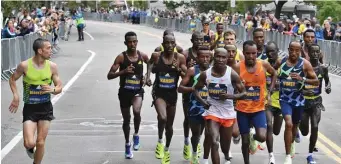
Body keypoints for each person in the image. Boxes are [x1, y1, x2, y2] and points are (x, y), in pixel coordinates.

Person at [9, 38, 62, 164]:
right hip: (30, 108)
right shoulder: (24, 65)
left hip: (45, 108)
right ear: (40, 50)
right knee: (29, 143)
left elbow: (59, 87)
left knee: (40, 142)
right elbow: (12, 79)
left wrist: (52, 89)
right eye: (48, 48)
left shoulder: (52, 67)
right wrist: (16, 96)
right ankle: (30, 149)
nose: (51, 50)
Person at [194, 48, 247, 164]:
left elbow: (244, 93)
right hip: (212, 111)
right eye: (218, 56)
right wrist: (203, 102)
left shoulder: (232, 74)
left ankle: (227, 153)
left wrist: (229, 96)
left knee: (224, 147)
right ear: (214, 57)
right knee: (214, 142)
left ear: (227, 59)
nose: (220, 60)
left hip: (228, 113)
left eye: (223, 57)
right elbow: (195, 89)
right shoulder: (206, 74)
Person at [273, 41, 319, 164]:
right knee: (288, 124)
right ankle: (287, 156)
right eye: (291, 50)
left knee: (294, 126)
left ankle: (291, 143)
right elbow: (272, 73)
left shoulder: (305, 64)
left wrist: (302, 79)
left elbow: (316, 81)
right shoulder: (281, 62)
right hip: (284, 99)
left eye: (297, 50)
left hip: (298, 100)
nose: (294, 53)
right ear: (288, 50)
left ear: (300, 51)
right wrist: (274, 83)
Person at [106, 31, 149, 159]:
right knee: (126, 119)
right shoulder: (121, 57)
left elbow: (152, 64)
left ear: (137, 42)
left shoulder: (142, 56)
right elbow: (109, 75)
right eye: (129, 42)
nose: (132, 44)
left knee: (136, 111)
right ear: (125, 43)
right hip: (124, 92)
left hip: (137, 91)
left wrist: (147, 76)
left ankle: (136, 134)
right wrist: (123, 71)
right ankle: (127, 144)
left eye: (134, 41)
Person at [145, 34, 187, 164]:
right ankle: (160, 142)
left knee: (169, 125)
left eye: (172, 43)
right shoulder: (157, 55)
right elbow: (150, 64)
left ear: (175, 45)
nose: (169, 45)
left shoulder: (179, 58)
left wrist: (178, 69)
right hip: (159, 92)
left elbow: (186, 74)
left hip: (172, 94)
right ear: (162, 44)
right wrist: (147, 77)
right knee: (162, 117)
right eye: (166, 43)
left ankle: (167, 149)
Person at [235, 40, 277, 164]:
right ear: (244, 53)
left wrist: (269, 92)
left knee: (262, 137)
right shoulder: (237, 67)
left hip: (258, 109)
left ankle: (254, 137)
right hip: (242, 109)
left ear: (257, 52)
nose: (251, 56)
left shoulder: (263, 65)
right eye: (248, 53)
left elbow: (274, 74)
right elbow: (230, 82)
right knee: (244, 141)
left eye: (254, 53)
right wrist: (237, 85)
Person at [178, 46, 211, 164]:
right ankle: (195, 152)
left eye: (208, 57)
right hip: (194, 106)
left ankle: (205, 159)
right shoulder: (192, 70)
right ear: (198, 57)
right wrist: (192, 89)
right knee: (196, 135)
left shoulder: (214, 70)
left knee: (208, 133)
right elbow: (180, 88)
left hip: (209, 107)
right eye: (203, 57)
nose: (205, 59)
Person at [299, 44, 331, 164]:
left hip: (317, 102)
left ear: (320, 53)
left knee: (315, 127)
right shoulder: (303, 67)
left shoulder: (323, 68)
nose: (315, 54)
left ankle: (310, 155)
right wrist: (304, 90)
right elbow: (297, 84)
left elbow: (327, 82)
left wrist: (328, 87)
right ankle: (299, 128)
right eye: (313, 52)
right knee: (305, 131)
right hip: (304, 101)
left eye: (317, 52)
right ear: (308, 52)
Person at [181, 31, 205, 160]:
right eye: (197, 39)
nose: (199, 42)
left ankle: (197, 141)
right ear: (192, 40)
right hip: (189, 92)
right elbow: (181, 69)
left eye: (201, 39)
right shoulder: (186, 54)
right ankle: (186, 141)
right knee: (188, 119)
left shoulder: (207, 55)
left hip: (203, 93)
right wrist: (186, 68)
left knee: (202, 121)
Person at [264, 41, 283, 164]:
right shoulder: (263, 64)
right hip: (267, 101)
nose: (270, 54)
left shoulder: (284, 63)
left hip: (281, 102)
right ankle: (271, 156)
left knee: (276, 131)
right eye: (268, 52)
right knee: (269, 126)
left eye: (273, 51)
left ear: (278, 50)